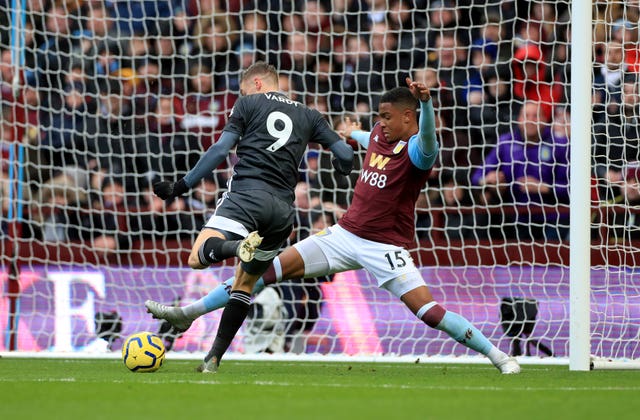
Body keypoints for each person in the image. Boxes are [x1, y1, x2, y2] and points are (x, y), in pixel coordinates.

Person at [146, 77, 521, 375]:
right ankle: (188, 313)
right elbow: (364, 137)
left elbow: (427, 137)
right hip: (342, 236)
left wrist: (426, 103)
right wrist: (350, 133)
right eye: (379, 116)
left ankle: (497, 355)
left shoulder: (417, 152)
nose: (381, 123)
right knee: (260, 272)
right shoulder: (378, 134)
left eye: (388, 117)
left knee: (429, 313)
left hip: (385, 248)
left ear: (408, 117)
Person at [148, 60, 354, 328]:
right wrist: (343, 167)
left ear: (256, 83)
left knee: (197, 257)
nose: (242, 97)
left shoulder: (248, 104)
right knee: (245, 283)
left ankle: (236, 248)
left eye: (244, 91)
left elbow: (221, 150)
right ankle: (210, 352)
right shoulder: (310, 114)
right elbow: (345, 154)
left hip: (246, 196)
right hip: (282, 212)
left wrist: (182, 185)